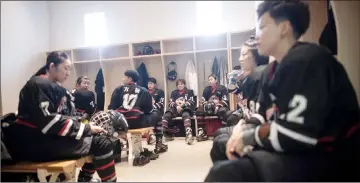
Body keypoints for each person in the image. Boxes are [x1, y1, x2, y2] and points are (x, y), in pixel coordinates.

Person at [205, 1, 360, 181]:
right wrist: (243, 130)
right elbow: (262, 114)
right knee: (222, 147)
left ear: (284, 28)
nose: (257, 36)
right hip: (296, 147)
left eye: (262, 27)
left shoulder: (309, 61)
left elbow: (297, 136)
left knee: (225, 174)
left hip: (329, 155)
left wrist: (248, 137)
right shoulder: (272, 70)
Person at [1, 52, 125, 182]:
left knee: (98, 137)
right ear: (52, 66)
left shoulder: (51, 86)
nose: (68, 72)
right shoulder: (38, 84)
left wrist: (86, 126)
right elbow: (49, 122)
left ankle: (85, 179)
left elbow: (64, 117)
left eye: (69, 69)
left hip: (44, 139)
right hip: (34, 143)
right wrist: (86, 128)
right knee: (102, 142)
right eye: (65, 68)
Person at [210, 36, 269, 163]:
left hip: (259, 128)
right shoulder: (248, 77)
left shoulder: (261, 76)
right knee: (219, 134)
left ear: (255, 57)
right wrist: (232, 80)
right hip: (249, 118)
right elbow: (233, 91)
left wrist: (244, 128)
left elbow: (262, 115)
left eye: (244, 54)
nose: (240, 59)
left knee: (220, 142)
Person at [108, 70, 167, 160]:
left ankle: (117, 151)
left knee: (113, 121)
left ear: (130, 78)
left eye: (124, 77)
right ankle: (158, 143)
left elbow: (112, 108)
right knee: (158, 113)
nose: (122, 79)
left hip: (121, 124)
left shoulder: (118, 89)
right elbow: (148, 110)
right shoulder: (143, 90)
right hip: (137, 122)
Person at [195, 74, 229, 142]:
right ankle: (202, 131)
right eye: (209, 80)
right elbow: (203, 100)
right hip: (208, 107)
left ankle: (222, 131)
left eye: (211, 79)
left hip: (219, 107)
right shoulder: (206, 89)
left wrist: (218, 106)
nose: (210, 81)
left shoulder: (222, 88)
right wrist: (206, 106)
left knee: (223, 111)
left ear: (216, 80)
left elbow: (225, 100)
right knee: (199, 111)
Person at [162, 79, 196, 145]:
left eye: (181, 84)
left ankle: (188, 133)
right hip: (175, 109)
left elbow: (192, 102)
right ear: (177, 86)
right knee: (166, 115)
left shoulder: (190, 91)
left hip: (185, 108)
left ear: (184, 84)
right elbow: (170, 103)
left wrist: (182, 106)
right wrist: (176, 106)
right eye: (178, 84)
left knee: (186, 114)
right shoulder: (174, 92)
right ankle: (164, 133)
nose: (180, 85)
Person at [146, 78, 166, 148]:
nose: (149, 85)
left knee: (154, 115)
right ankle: (150, 135)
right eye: (148, 83)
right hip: (147, 112)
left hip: (157, 111)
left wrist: (151, 107)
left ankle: (157, 137)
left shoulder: (160, 92)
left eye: (151, 84)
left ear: (155, 85)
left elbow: (161, 104)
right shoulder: (144, 92)